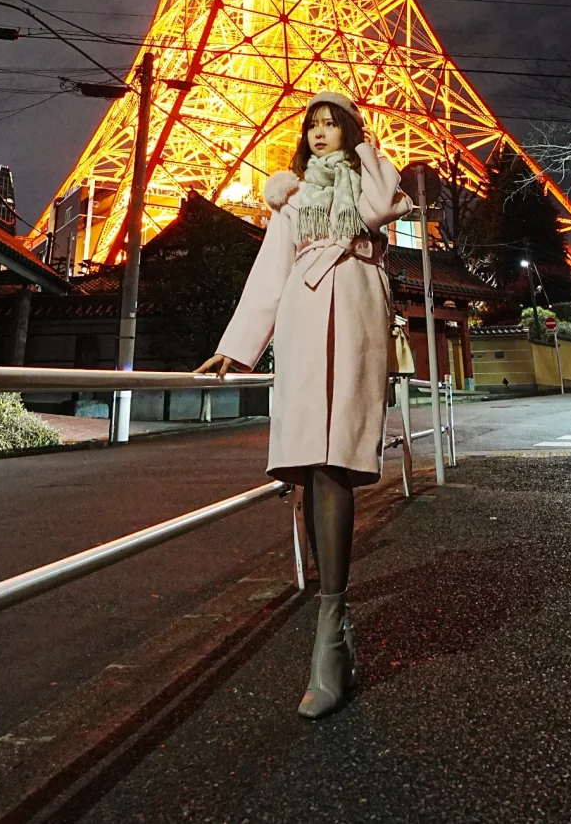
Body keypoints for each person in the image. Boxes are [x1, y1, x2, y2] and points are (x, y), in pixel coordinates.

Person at [196, 91, 412, 718]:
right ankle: (332, 629)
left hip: (356, 315)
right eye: (313, 126)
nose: (321, 134)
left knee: (335, 461)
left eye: (332, 125)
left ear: (349, 131)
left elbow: (377, 204)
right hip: (301, 319)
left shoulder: (370, 188)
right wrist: (236, 348)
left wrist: (365, 139)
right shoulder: (290, 199)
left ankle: (331, 624)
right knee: (312, 469)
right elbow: (270, 273)